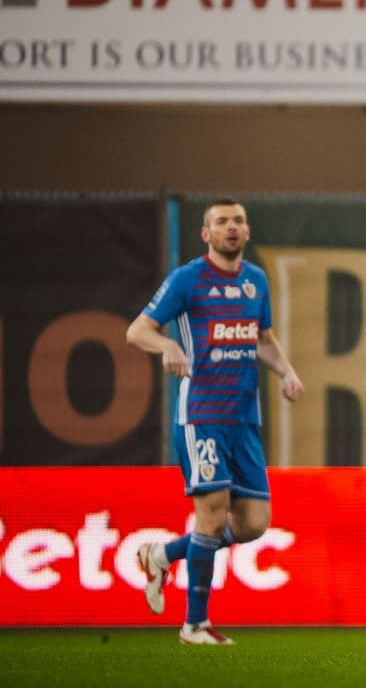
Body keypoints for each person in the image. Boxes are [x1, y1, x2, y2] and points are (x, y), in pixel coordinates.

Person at [125, 198, 304, 645]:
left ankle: (162, 554)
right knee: (211, 514)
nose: (231, 227)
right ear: (206, 234)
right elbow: (138, 330)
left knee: (252, 524)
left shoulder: (255, 280)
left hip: (244, 420)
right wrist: (167, 346)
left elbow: (262, 338)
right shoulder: (188, 279)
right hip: (202, 414)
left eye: (238, 220)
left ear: (247, 231)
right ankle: (195, 625)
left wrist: (286, 371)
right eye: (221, 221)